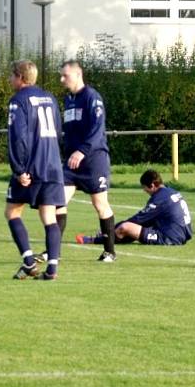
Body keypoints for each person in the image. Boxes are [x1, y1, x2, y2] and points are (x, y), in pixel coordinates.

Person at [4, 60, 66, 280]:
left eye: (11, 75)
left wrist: (19, 169)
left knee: (12, 211)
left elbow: (17, 137)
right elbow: (58, 131)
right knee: (49, 215)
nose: (9, 80)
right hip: (53, 166)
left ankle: (29, 262)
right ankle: (52, 269)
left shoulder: (18, 100)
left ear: (20, 77)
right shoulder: (50, 98)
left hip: (31, 167)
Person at [54, 60, 118, 263]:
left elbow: (97, 130)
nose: (62, 79)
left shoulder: (92, 97)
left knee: (100, 204)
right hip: (72, 162)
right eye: (61, 75)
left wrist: (82, 151)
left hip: (93, 160)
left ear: (78, 74)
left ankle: (109, 252)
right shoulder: (68, 99)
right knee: (57, 202)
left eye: (65, 75)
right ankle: (54, 251)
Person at [78, 169, 192, 245]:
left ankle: (96, 240)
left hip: (169, 238)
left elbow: (138, 220)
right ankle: (106, 235)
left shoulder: (159, 198)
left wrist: (112, 228)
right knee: (132, 227)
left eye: (145, 188)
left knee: (125, 228)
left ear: (152, 185)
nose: (144, 191)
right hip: (181, 234)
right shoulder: (170, 191)